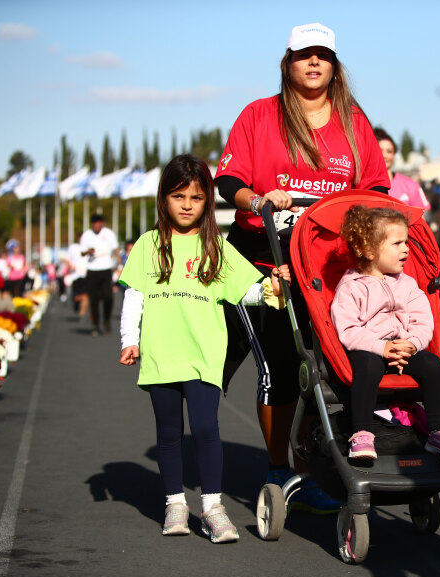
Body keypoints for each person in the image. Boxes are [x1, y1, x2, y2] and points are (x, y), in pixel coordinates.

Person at [214, 22, 389, 514]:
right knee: (279, 366)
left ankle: (311, 458)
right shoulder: (259, 114)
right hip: (262, 260)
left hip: (326, 266)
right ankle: (278, 466)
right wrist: (260, 198)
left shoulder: (354, 121)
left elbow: (376, 189)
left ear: (334, 66)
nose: (313, 63)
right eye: (303, 55)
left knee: (326, 367)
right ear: (287, 63)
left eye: (323, 56)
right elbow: (228, 180)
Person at [118, 154, 290, 542]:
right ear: (163, 199)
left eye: (196, 198)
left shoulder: (217, 245)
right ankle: (175, 504)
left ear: (207, 202)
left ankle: (212, 508)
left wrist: (271, 290)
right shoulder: (148, 244)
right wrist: (130, 340)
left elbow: (244, 292)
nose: (186, 205)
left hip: (204, 354)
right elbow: (135, 296)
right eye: (178, 196)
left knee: (206, 429)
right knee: (169, 433)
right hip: (161, 355)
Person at [330, 205, 440, 460]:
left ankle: (438, 431)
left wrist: (412, 344)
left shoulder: (407, 284)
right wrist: (381, 347)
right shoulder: (351, 287)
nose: (406, 249)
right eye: (397, 243)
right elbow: (348, 329)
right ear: (367, 250)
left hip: (403, 347)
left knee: (434, 365)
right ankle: (362, 432)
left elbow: (423, 320)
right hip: (368, 350)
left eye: (406, 242)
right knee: (369, 366)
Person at [374, 127, 431, 212]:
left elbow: (421, 219)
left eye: (389, 151)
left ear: (394, 155)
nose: (385, 155)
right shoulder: (366, 185)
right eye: (380, 150)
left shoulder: (410, 185)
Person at [80, 213, 118, 336]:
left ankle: (106, 320)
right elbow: (82, 252)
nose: (96, 225)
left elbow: (116, 249)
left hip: (106, 269)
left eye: (98, 223)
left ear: (102, 223)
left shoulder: (108, 234)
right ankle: (95, 324)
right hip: (92, 270)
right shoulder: (87, 235)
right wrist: (88, 251)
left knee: (108, 297)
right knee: (94, 299)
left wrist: (120, 265)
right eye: (94, 223)